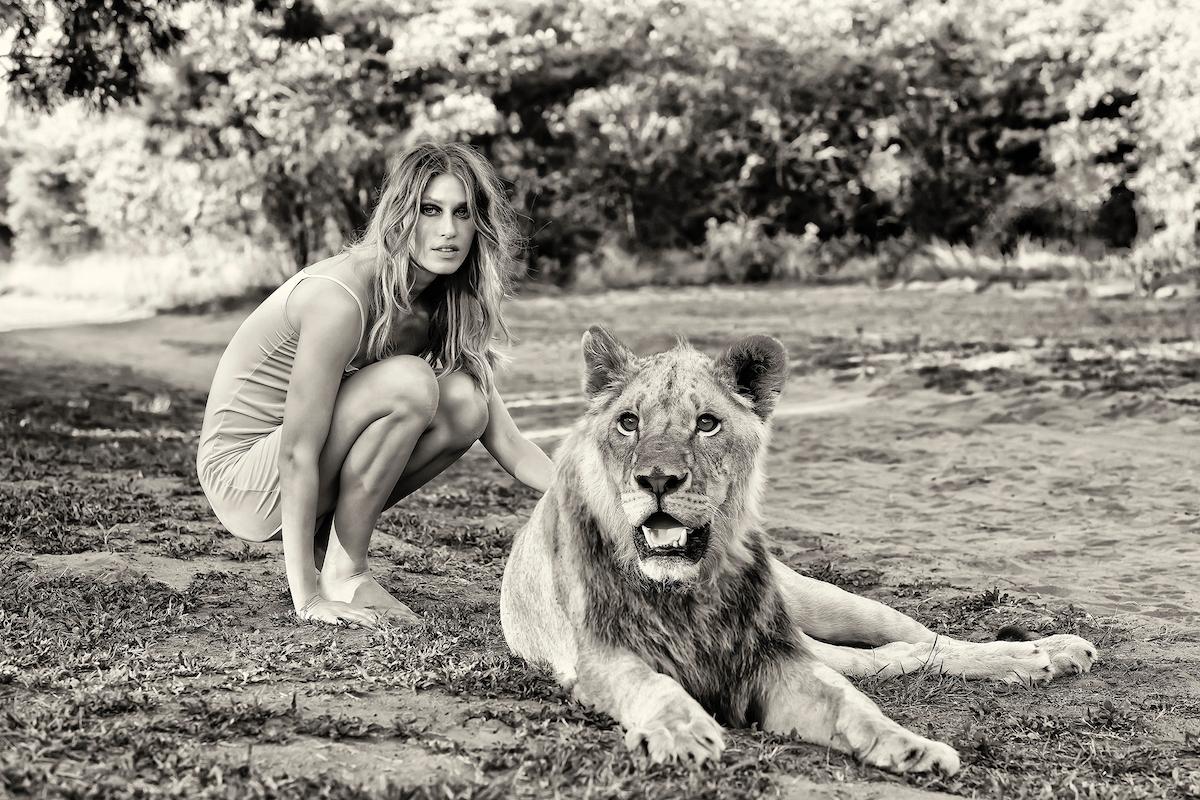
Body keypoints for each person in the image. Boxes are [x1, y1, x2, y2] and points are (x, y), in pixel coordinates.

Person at [196, 142, 555, 628]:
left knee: (466, 404)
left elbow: (510, 443)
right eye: (430, 210)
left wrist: (594, 494)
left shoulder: (442, 305)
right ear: (401, 215)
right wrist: (305, 598)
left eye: (462, 213)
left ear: (479, 224)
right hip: (246, 478)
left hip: (296, 470)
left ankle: (345, 570)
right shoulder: (339, 298)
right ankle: (330, 581)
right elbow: (297, 451)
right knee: (410, 382)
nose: (448, 230)